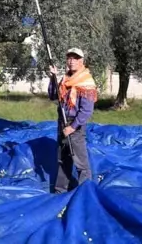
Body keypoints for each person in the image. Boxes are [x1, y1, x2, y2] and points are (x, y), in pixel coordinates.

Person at [47, 47, 97, 193]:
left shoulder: (86, 82)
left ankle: (85, 194)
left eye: (75, 58)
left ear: (82, 61)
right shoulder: (65, 79)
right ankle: (60, 191)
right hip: (62, 121)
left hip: (75, 124)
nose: (72, 61)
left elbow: (86, 111)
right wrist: (53, 78)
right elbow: (53, 96)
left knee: (80, 162)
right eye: (69, 58)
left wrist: (72, 127)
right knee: (63, 159)